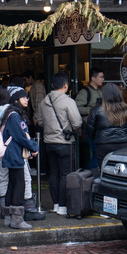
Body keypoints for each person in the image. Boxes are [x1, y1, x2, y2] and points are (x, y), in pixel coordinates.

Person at [0, 85, 45, 226]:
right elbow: (21, 136)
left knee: (11, 185)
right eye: (23, 97)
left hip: (11, 153)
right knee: (19, 184)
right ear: (16, 99)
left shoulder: (9, 114)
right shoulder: (14, 116)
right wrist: (33, 146)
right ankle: (17, 219)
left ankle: (9, 218)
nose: (26, 100)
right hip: (14, 154)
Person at [38, 72, 83, 216]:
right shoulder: (68, 101)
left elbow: (39, 122)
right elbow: (77, 123)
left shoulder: (43, 102)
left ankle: (56, 204)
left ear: (52, 85)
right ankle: (63, 206)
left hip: (48, 142)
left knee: (54, 174)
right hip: (65, 143)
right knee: (65, 174)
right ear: (65, 86)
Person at [85, 83, 127, 168]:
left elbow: (89, 128)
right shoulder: (126, 109)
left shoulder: (97, 110)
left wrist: (97, 138)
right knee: (121, 170)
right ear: (118, 94)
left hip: (103, 144)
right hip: (122, 144)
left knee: (104, 170)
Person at [75, 68, 104, 169]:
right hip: (90, 127)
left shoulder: (100, 91)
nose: (102, 79)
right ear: (93, 78)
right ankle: (88, 175)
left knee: (99, 153)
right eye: (100, 77)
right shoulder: (84, 92)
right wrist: (91, 110)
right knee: (97, 153)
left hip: (99, 127)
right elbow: (76, 108)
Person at [23, 70, 47, 175]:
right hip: (38, 118)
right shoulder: (35, 86)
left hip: (38, 119)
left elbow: (39, 103)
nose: (25, 82)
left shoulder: (37, 87)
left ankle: (40, 169)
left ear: (30, 77)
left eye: (25, 79)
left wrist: (36, 117)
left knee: (39, 144)